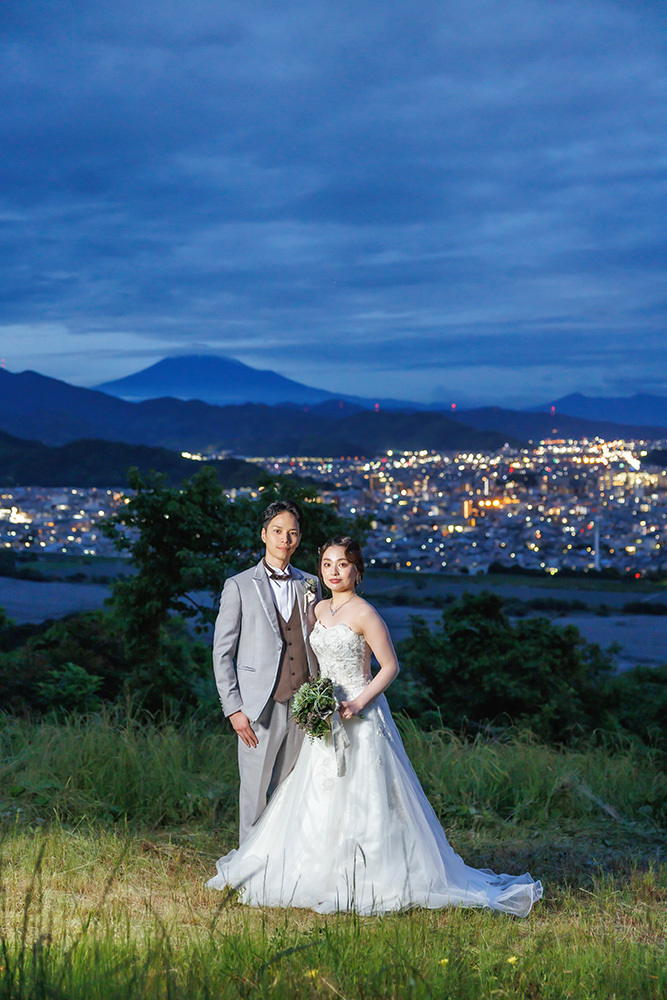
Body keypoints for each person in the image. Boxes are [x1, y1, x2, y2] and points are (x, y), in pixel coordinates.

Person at [208, 537, 543, 916]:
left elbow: (390, 667)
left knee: (366, 794)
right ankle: (314, 866)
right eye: (327, 564)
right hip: (326, 716)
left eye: (343, 564)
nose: (334, 572)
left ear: (357, 571)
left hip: (360, 713)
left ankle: (374, 871)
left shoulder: (365, 612)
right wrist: (314, 701)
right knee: (317, 792)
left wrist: (358, 702)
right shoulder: (317, 609)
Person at [212, 499, 321, 844]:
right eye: (277, 531)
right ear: (264, 534)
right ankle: (248, 865)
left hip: (304, 703)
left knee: (291, 790)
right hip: (258, 706)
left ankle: (282, 860)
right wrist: (234, 709)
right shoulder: (239, 585)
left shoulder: (311, 584)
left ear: (299, 538)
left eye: (292, 533)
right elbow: (222, 652)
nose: (284, 539)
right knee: (254, 793)